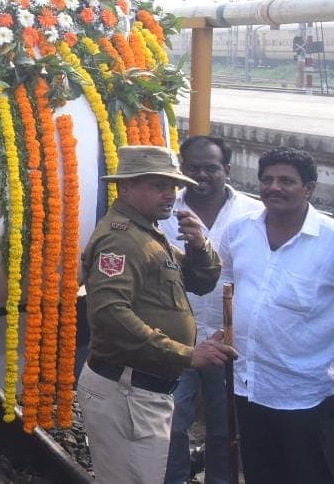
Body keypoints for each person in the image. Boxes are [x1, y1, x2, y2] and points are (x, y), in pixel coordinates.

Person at [78, 145, 234, 484]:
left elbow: (200, 281)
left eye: (173, 186)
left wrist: (198, 246)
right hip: (128, 390)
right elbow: (110, 315)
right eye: (158, 185)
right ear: (127, 187)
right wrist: (187, 355)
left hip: (142, 390)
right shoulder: (121, 240)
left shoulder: (146, 231)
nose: (170, 194)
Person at [213, 147, 334, 484]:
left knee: (309, 474)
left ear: (308, 188)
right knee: (260, 473)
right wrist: (223, 330)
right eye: (266, 180)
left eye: (286, 181)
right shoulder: (240, 231)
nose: (274, 187)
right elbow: (226, 279)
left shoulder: (329, 241)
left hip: (307, 395)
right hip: (248, 384)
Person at [156, 136, 263, 484]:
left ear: (227, 170)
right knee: (170, 423)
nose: (201, 175)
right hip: (176, 338)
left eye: (211, 168)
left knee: (226, 427)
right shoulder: (163, 210)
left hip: (230, 341)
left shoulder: (253, 213)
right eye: (193, 168)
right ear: (181, 169)